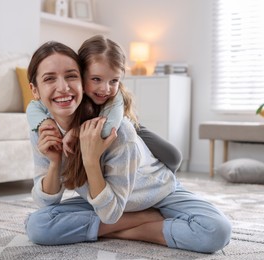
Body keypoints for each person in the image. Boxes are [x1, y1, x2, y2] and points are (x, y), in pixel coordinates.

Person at [25, 38, 232, 253]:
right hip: (105, 200)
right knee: (38, 226)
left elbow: (109, 216)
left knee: (216, 231)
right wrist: (54, 163)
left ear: (81, 81)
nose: (63, 87)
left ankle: (132, 230)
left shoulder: (118, 130)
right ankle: (142, 220)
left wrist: (90, 160)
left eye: (71, 76)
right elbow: (46, 203)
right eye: (50, 79)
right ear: (35, 90)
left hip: (156, 194)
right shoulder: (44, 129)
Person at [26, 35, 182, 173]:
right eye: (96, 79)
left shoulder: (116, 98)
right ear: (82, 74)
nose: (105, 89)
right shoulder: (73, 95)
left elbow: (110, 127)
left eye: (114, 81)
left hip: (126, 125)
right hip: (96, 131)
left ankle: (168, 183)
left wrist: (76, 132)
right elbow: (33, 106)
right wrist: (44, 122)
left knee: (174, 157)